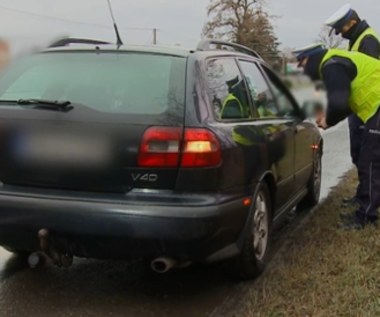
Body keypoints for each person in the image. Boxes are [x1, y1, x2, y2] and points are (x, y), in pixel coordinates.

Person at [293, 43, 380, 229]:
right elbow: (344, 100)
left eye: (302, 63)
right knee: (368, 160)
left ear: (312, 58)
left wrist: (327, 120)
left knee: (371, 162)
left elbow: (339, 103)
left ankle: (366, 217)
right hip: (375, 108)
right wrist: (327, 117)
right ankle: (364, 205)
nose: (301, 69)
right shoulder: (333, 62)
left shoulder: (331, 65)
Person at [324, 4, 380, 208]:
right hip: (362, 108)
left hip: (369, 109)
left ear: (352, 22)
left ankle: (368, 204)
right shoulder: (358, 39)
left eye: (342, 29)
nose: (341, 34)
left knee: (368, 159)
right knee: (359, 154)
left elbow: (369, 77)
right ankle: (362, 195)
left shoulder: (368, 40)